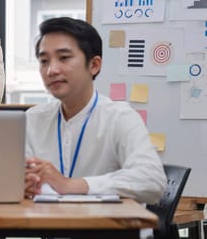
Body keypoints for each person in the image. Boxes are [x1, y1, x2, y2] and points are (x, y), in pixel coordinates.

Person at [24, 17, 166, 204]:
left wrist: (72, 185)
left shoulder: (120, 117)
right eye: (44, 61)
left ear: (94, 65)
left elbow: (152, 181)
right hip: (49, 226)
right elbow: (15, 177)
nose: (51, 70)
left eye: (64, 58)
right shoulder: (32, 120)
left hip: (108, 229)